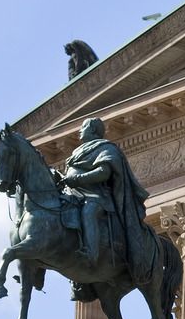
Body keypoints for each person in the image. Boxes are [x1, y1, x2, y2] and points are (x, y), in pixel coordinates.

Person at [53, 117, 154, 296]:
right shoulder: (77, 152)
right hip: (77, 196)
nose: (79, 131)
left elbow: (104, 172)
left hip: (97, 198)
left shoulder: (106, 148)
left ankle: (91, 254)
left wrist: (76, 179)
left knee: (88, 213)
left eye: (83, 127)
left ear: (92, 130)